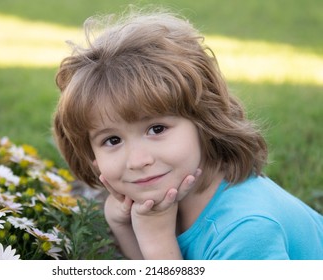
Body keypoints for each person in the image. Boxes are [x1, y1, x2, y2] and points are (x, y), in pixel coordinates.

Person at [52, 9, 323, 259]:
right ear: (90, 155)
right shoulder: (161, 204)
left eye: (157, 129)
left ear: (205, 121)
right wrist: (125, 227)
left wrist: (158, 241)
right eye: (112, 140)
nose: (137, 160)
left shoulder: (245, 230)